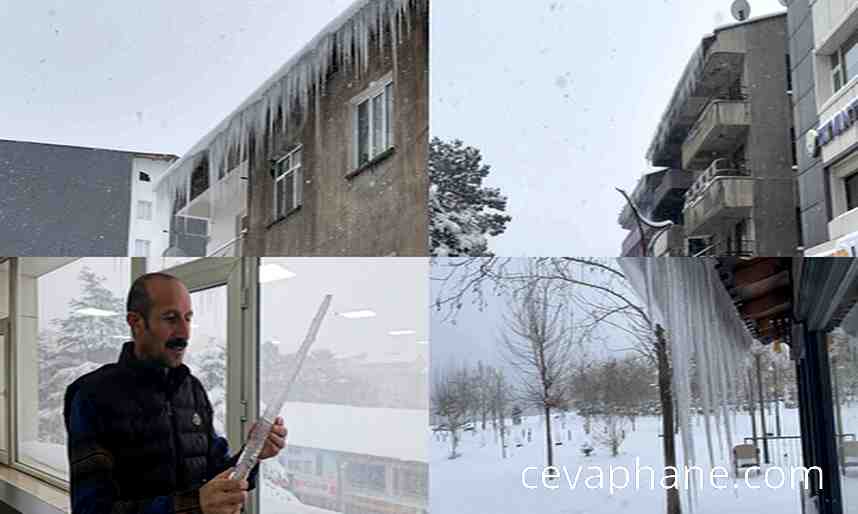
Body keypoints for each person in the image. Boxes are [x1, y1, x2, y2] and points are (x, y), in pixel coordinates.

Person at [63, 272, 288, 514]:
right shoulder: (92, 395)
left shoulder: (192, 389)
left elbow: (215, 473)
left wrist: (252, 452)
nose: (184, 333)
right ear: (136, 322)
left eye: (188, 318)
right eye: (171, 319)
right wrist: (195, 505)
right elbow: (90, 509)